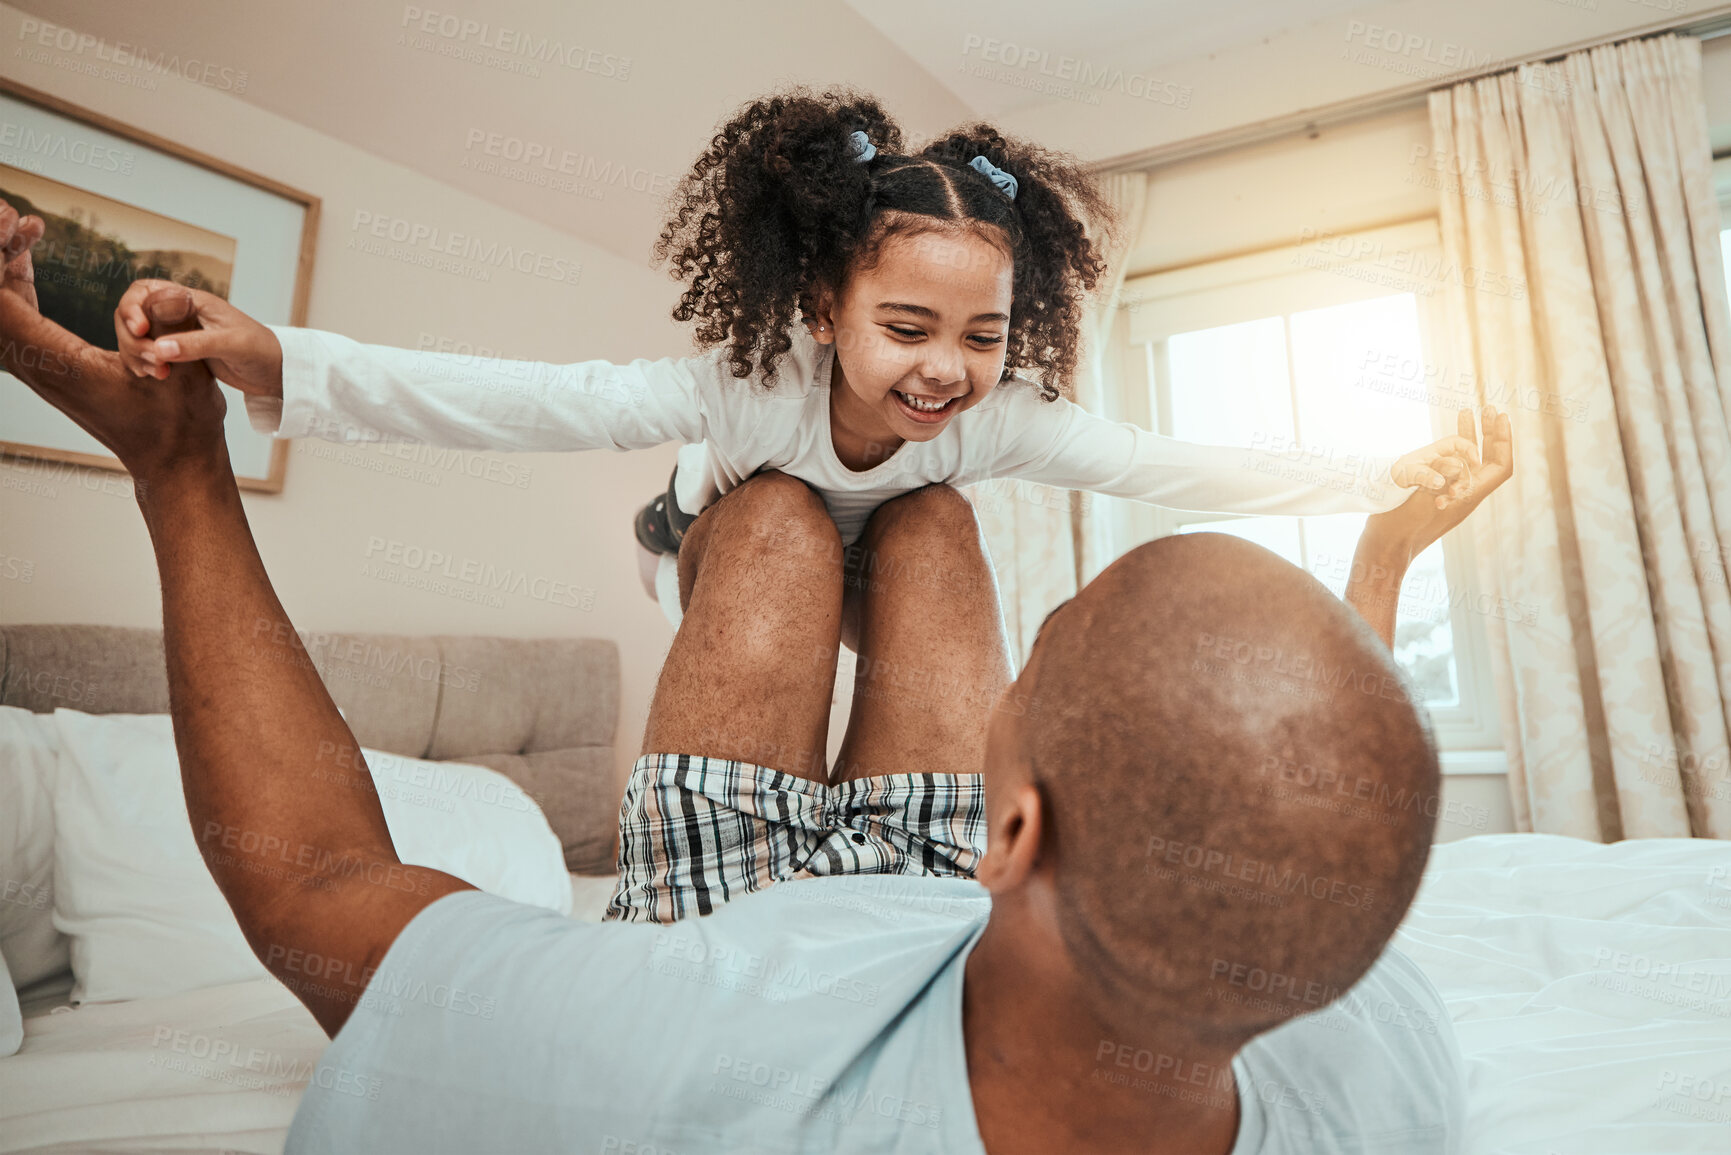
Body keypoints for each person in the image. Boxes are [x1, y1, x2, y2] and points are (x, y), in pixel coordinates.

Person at [0, 198, 1509, 1153]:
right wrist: (1379, 538)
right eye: (904, 327)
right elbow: (1321, 806)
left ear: (1022, 828)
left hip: (724, 930)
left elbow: (316, 885)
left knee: (794, 523)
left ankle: (732, 541)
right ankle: (734, 536)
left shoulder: (673, 1064)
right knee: (920, 524)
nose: (943, 366)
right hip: (929, 879)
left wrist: (182, 463)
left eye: (1026, 681)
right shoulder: (1369, 1040)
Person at [107, 86, 1480, 647]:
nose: (949, 368)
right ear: (825, 305)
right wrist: (281, 356)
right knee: (765, 518)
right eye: (908, 328)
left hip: (868, 570)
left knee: (937, 523)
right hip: (711, 539)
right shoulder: (743, 385)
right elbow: (528, 401)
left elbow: (1162, 463)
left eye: (984, 334)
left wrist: (1377, 472)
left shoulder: (994, 420)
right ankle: (675, 513)